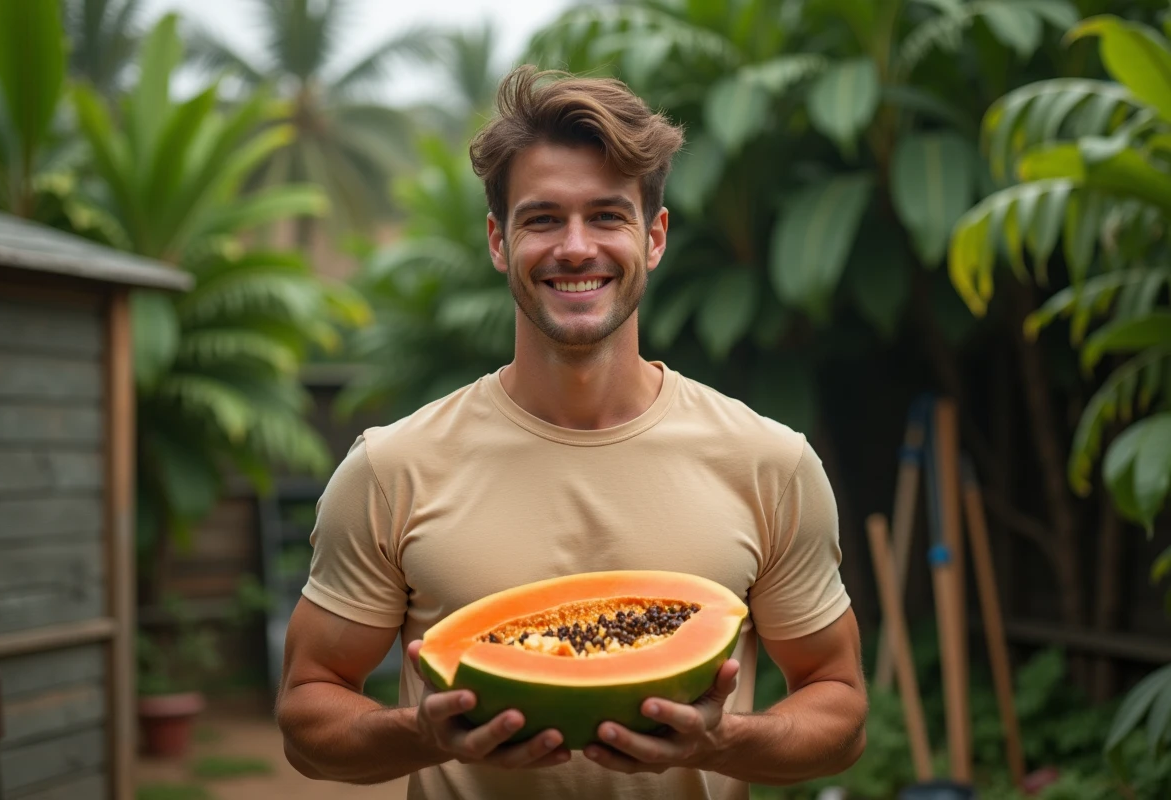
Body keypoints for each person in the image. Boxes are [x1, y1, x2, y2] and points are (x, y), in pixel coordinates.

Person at [275, 65, 867, 800]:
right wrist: (421, 733)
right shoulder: (392, 468)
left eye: (608, 216)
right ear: (499, 241)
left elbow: (840, 706)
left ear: (654, 237)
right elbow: (307, 711)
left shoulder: (769, 464)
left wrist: (724, 742)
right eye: (543, 219)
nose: (576, 247)